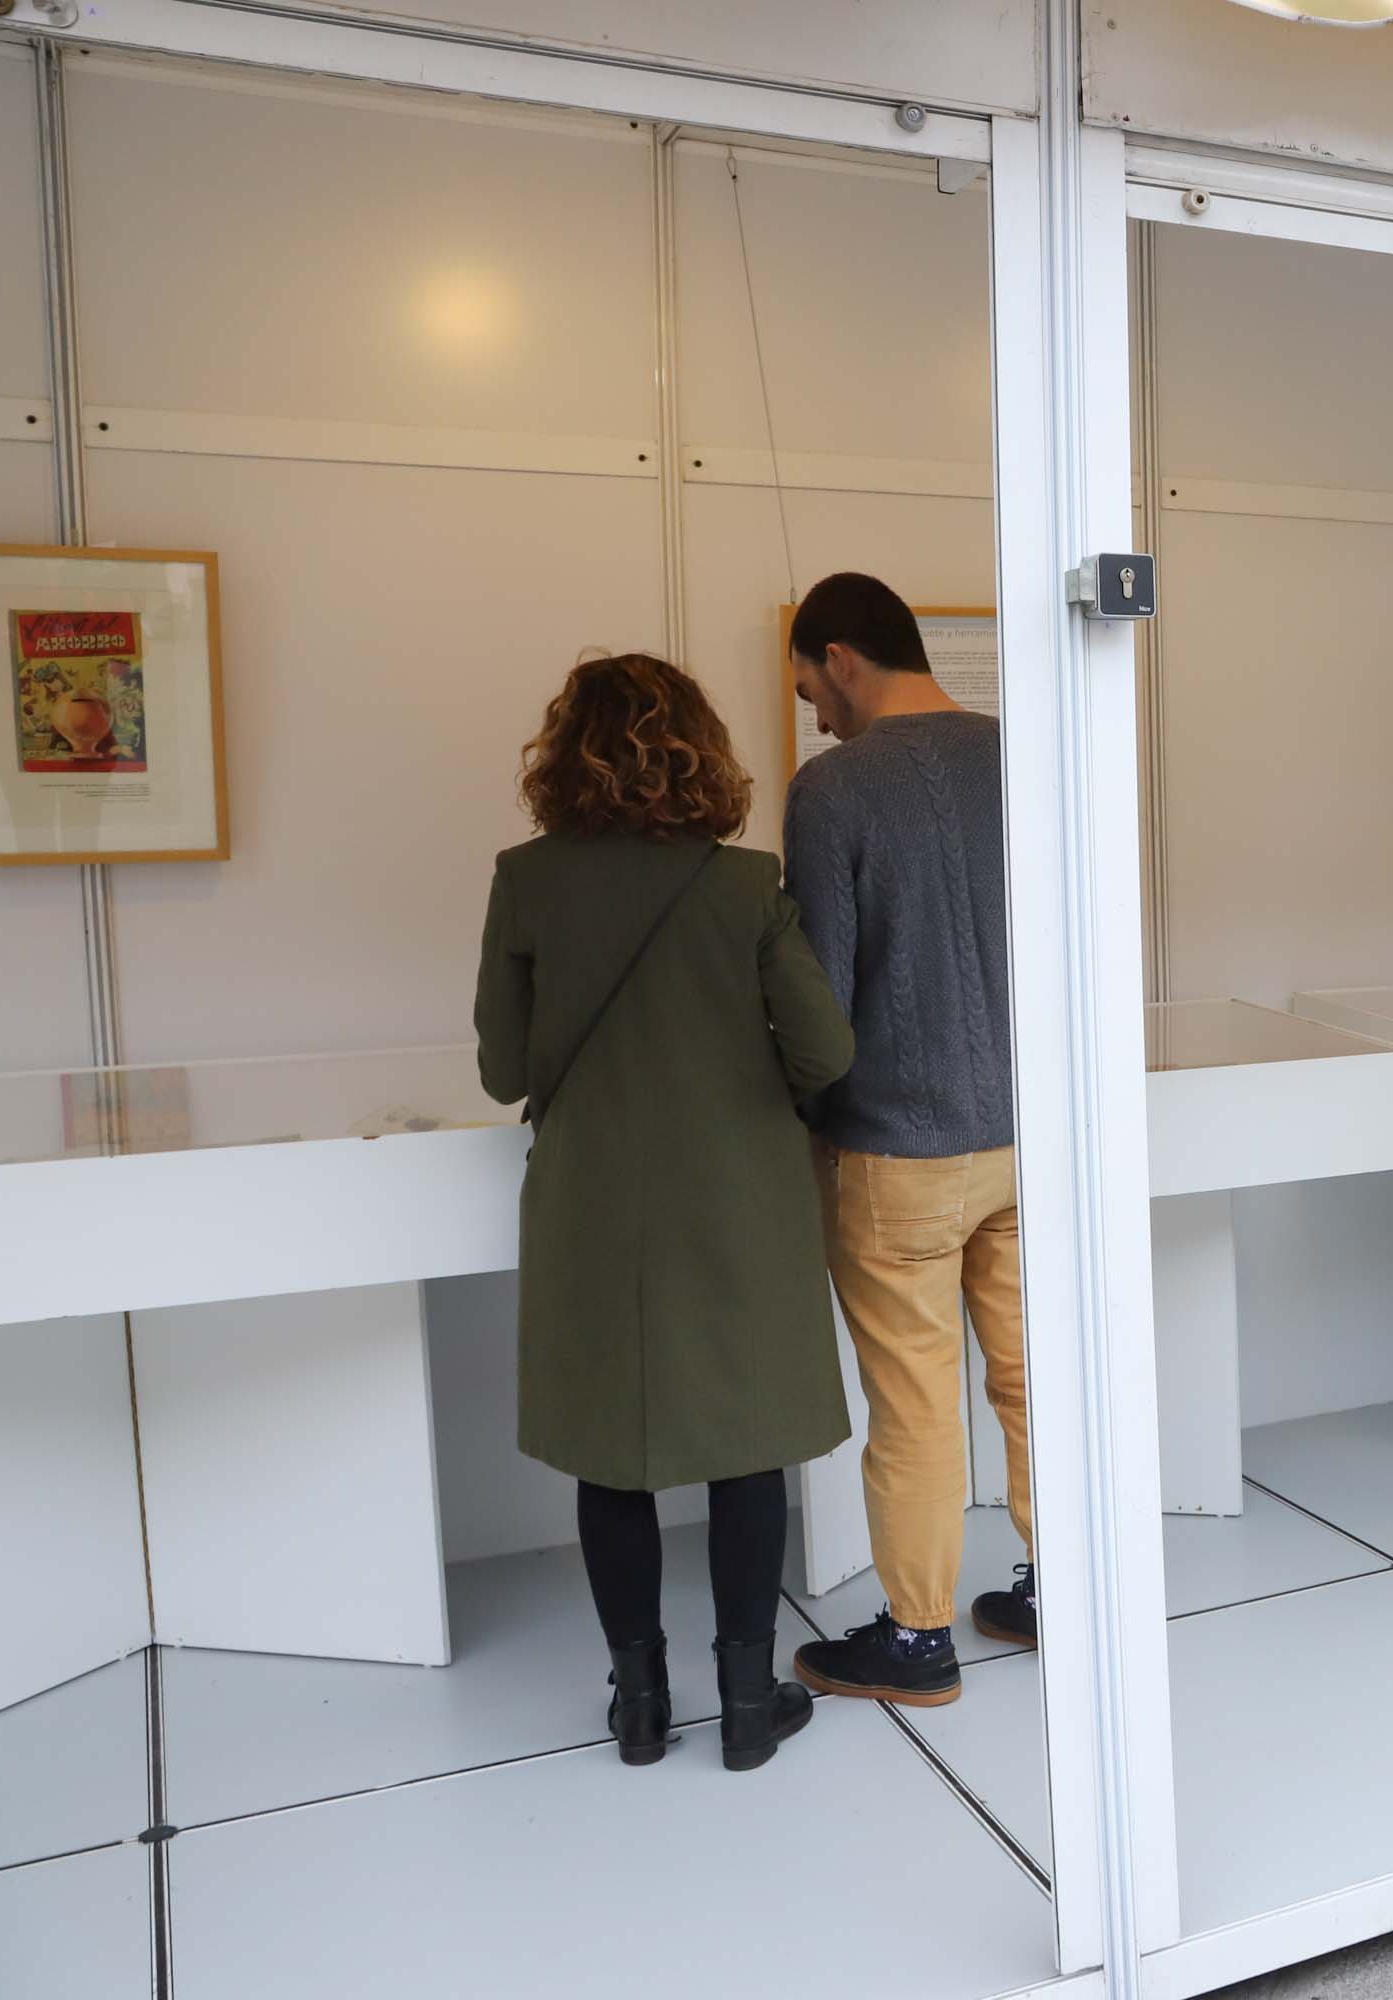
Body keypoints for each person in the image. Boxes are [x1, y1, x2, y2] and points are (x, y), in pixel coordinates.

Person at [474, 653, 854, 1773]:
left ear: (563, 755)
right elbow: (827, 1048)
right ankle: (747, 1702)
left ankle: (639, 1704)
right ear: (697, 749)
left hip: (591, 1201)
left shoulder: (525, 878)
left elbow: (503, 1069)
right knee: (746, 1446)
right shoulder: (740, 884)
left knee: (613, 1453)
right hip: (738, 1197)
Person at [782, 572, 1032, 1709]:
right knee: (1037, 1378)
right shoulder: (1021, 753)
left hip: (898, 1148)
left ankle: (919, 1638)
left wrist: (807, 1121)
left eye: (809, 690)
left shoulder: (831, 789)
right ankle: (1059, 1591)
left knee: (918, 1400)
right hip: (1031, 1135)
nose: (814, 715)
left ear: (842, 657)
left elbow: (820, 998)